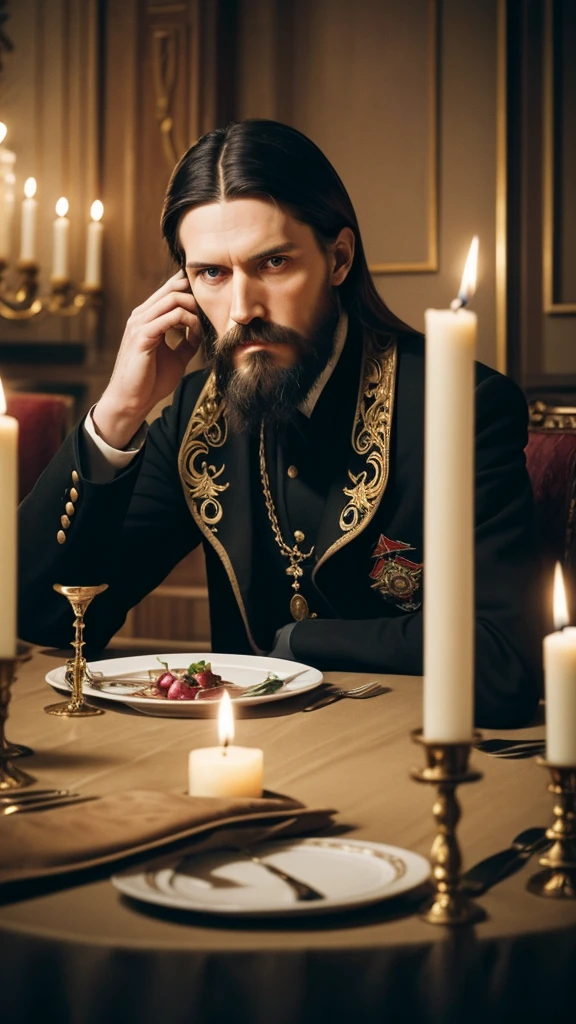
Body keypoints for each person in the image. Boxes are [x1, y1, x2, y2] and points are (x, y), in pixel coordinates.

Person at [18, 119, 542, 727]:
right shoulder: (197, 414)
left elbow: (504, 660)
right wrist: (117, 413)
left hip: (407, 758)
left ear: (338, 258)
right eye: (211, 273)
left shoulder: (464, 404)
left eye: (272, 263)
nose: (242, 309)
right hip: (239, 768)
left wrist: (299, 642)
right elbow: (49, 620)